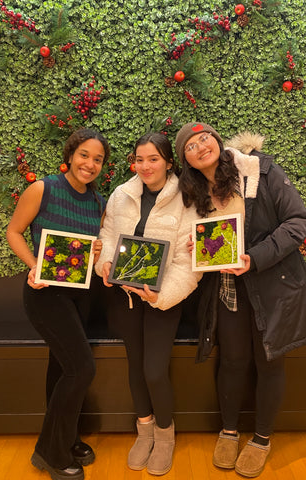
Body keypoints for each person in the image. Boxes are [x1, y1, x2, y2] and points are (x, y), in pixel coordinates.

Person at [175, 123, 306, 478]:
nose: (200, 146)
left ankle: (261, 438)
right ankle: (229, 431)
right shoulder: (194, 191)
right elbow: (209, 240)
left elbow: (298, 221)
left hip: (272, 287)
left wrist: (254, 257)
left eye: (204, 138)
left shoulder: (261, 170)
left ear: (216, 140)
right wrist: (196, 247)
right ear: (186, 161)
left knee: (269, 363)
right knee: (232, 361)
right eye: (190, 146)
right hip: (226, 291)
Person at [95, 132, 201, 476]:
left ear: (169, 162)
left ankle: (165, 435)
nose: (145, 166)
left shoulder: (186, 198)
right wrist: (105, 265)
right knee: (135, 367)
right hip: (124, 298)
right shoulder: (121, 194)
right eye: (139, 159)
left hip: (162, 300)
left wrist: (162, 296)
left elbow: (190, 261)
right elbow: (108, 238)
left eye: (153, 159)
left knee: (155, 370)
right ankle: (144, 430)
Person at [6, 128, 110, 480]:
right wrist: (34, 264)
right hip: (45, 294)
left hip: (80, 295)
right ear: (70, 155)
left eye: (97, 159)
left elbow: (90, 249)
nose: (90, 164)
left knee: (63, 368)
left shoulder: (98, 201)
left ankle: (67, 438)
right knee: (82, 369)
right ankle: (50, 453)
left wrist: (96, 250)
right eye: (85, 155)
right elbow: (14, 232)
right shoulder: (43, 189)